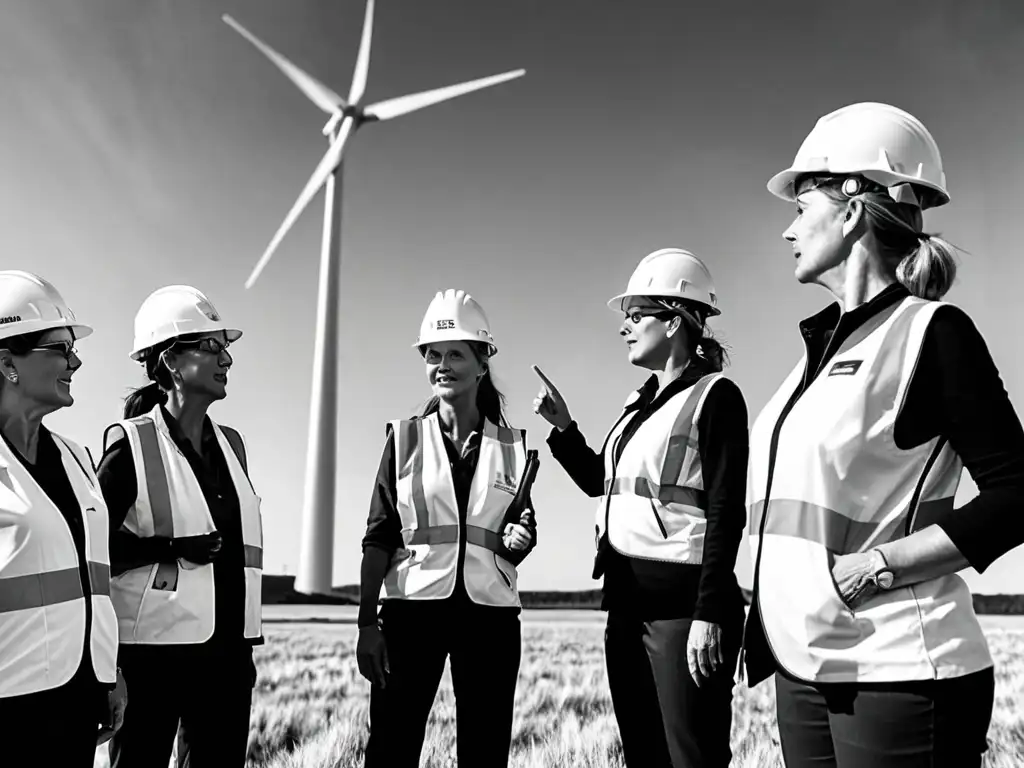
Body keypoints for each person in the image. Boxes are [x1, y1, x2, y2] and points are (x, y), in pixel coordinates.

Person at [742, 102, 1024, 767]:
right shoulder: (809, 362)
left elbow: (1018, 493)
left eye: (799, 205)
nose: (788, 230)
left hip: (900, 670)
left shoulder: (932, 334)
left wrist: (877, 566)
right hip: (805, 668)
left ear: (849, 209)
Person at [532, 248, 748, 768]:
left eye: (636, 317)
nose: (625, 329)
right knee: (644, 756)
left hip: (682, 611)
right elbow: (602, 484)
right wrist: (564, 430)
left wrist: (711, 611)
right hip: (625, 606)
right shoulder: (639, 404)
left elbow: (726, 511)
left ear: (675, 321)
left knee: (690, 756)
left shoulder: (716, 397)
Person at [357, 288, 538, 768]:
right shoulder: (405, 440)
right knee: (391, 749)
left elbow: (520, 526)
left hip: (490, 619)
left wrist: (523, 540)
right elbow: (378, 537)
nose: (442, 365)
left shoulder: (512, 448)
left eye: (455, 353)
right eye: (432, 355)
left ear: (482, 363)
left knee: (485, 751)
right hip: (411, 613)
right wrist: (365, 623)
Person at [98, 285, 264, 768]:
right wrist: (169, 548)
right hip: (153, 660)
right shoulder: (130, 446)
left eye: (225, 347)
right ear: (171, 361)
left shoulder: (233, 445)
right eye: (211, 346)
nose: (226, 359)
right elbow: (93, 551)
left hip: (229, 657)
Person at [0, 271, 125, 765]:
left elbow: (96, 583)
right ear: (8, 361)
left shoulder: (77, 458)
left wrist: (111, 673)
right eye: (59, 347)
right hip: (10, 704)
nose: (76, 360)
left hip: (78, 695)